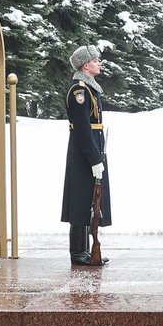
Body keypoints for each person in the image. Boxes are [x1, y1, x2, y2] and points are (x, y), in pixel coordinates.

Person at [61, 45, 111, 266]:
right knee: (80, 200)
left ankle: (86, 249)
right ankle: (77, 252)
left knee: (90, 200)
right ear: (85, 65)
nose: (99, 63)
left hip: (92, 147)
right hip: (83, 151)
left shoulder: (90, 88)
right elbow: (82, 129)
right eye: (95, 60)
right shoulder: (79, 91)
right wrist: (93, 159)